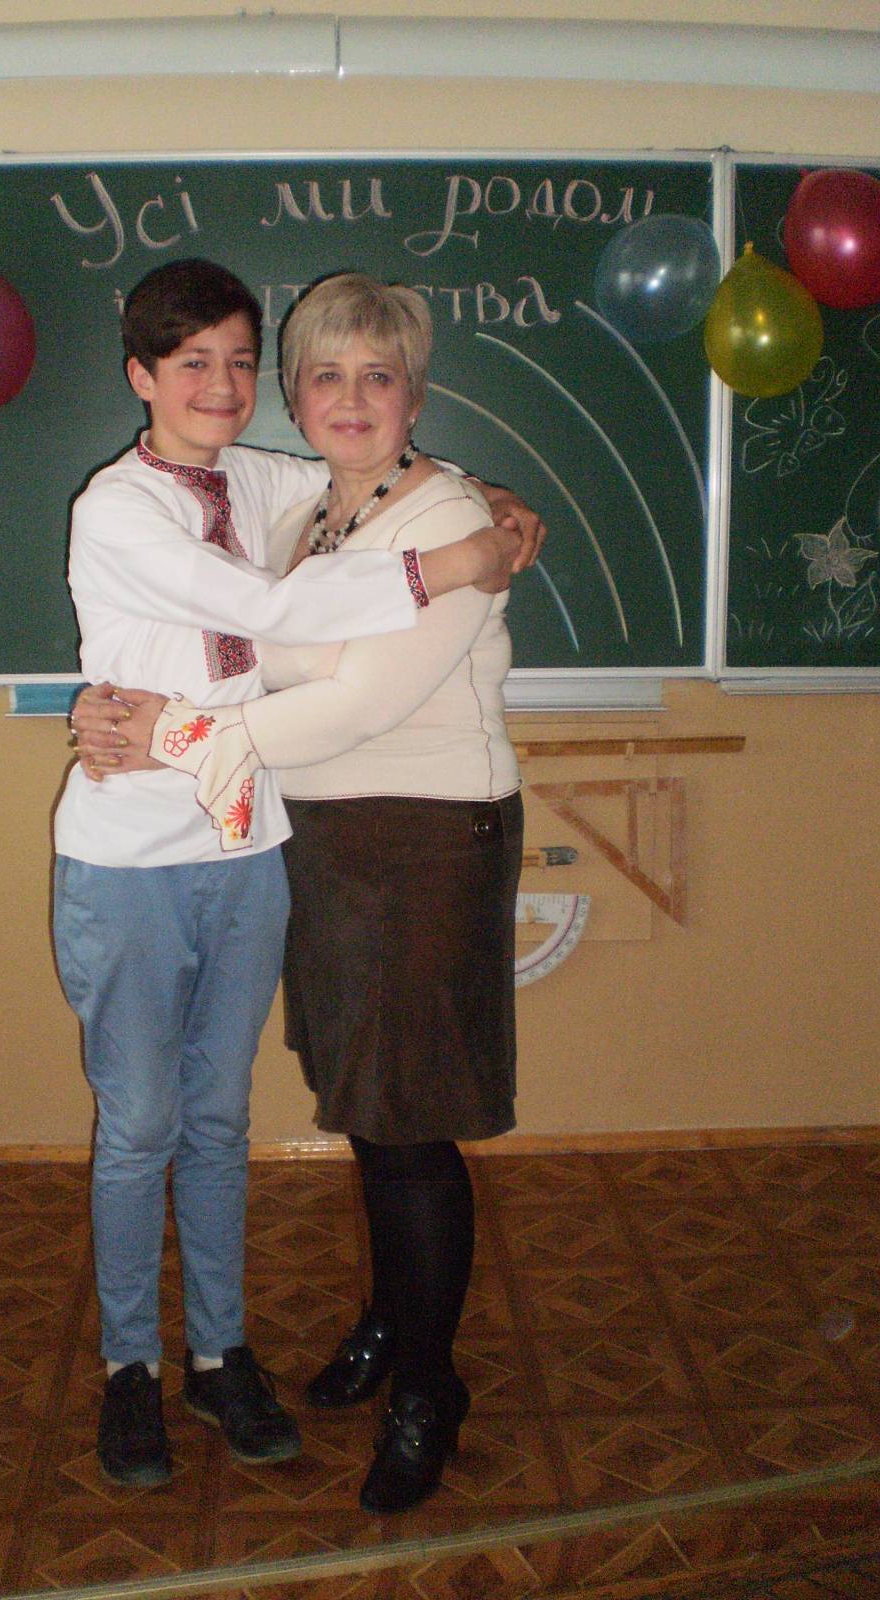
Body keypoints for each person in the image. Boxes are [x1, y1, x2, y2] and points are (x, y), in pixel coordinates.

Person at [54, 257, 543, 1492]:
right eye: (324, 375)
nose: (349, 398)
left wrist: (487, 516)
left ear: (414, 389)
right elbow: (267, 606)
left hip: (310, 843)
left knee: (304, 1118)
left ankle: (256, 1359)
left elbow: (389, 537)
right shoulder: (165, 503)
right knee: (160, 1125)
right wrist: (462, 553)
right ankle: (135, 1365)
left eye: (239, 361)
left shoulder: (282, 485)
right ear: (141, 377)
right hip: (181, 848)